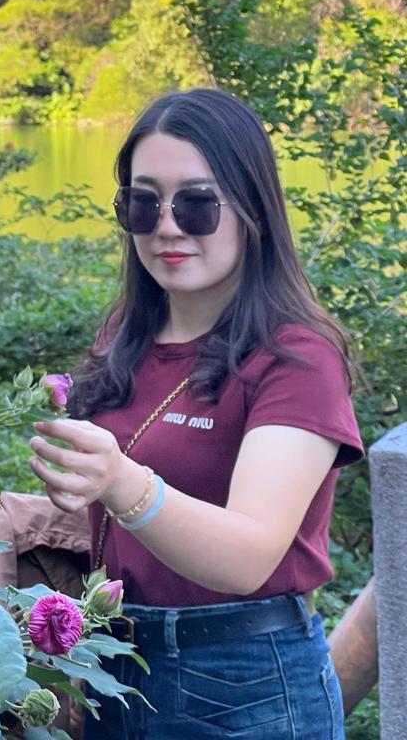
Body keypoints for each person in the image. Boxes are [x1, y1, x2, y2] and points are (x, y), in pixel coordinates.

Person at [28, 88, 363, 739]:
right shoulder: (125, 338)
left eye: (197, 204)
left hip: (242, 684)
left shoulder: (296, 358)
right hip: (114, 663)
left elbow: (249, 556)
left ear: (251, 208)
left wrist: (119, 481)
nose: (167, 226)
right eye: (142, 203)